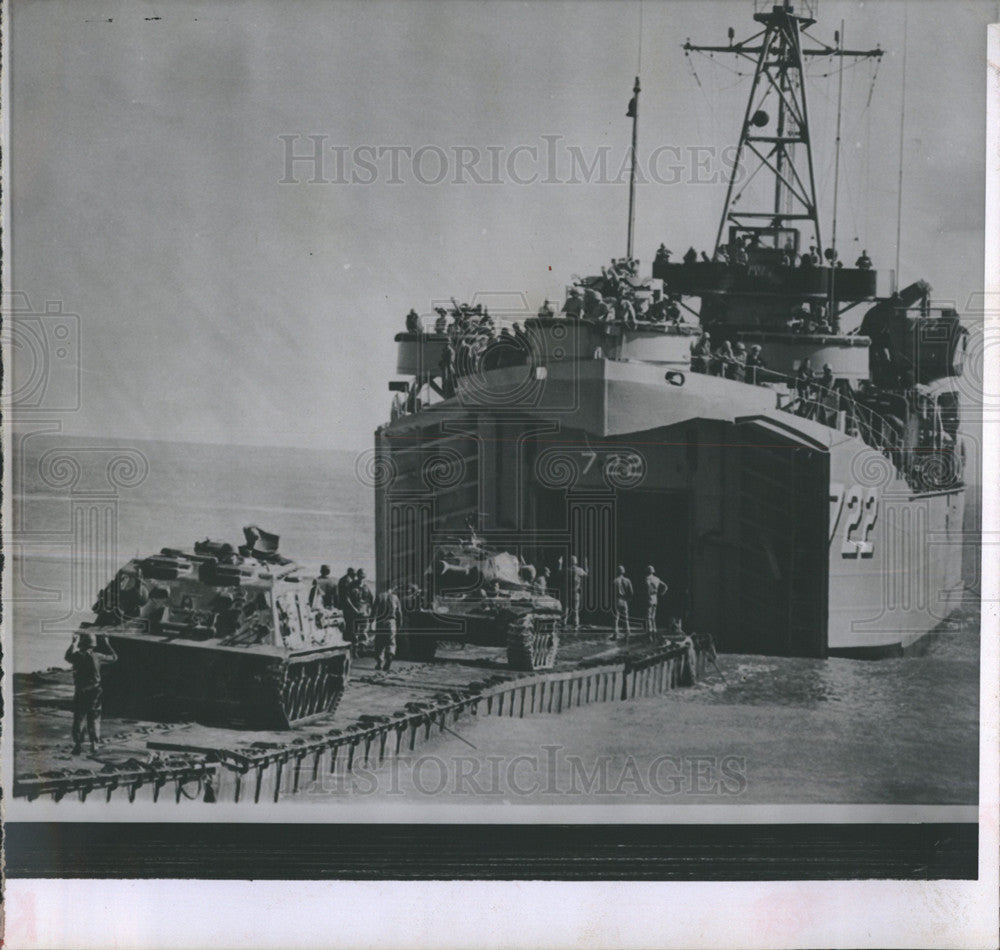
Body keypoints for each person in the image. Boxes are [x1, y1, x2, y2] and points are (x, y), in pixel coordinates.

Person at [65, 631, 117, 755]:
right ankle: (94, 744)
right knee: (94, 718)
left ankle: (78, 745)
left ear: (81, 644)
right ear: (93, 645)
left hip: (81, 692)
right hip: (95, 692)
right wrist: (107, 643)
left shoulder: (77, 656)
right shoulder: (97, 656)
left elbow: (67, 657)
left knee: (79, 718)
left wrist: (73, 643)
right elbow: (114, 657)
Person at [371, 586, 403, 671]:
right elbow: (399, 612)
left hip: (380, 622)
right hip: (391, 622)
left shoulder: (380, 596)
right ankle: (389, 657)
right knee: (391, 642)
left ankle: (379, 663)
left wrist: (371, 622)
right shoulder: (395, 597)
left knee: (379, 643)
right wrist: (399, 624)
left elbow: (374, 610)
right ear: (392, 588)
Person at [347, 569, 374, 645]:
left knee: (364, 633)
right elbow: (347, 599)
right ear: (357, 576)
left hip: (364, 613)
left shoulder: (366, 587)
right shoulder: (352, 586)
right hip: (354, 613)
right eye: (360, 576)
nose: (361, 578)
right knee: (355, 633)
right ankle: (354, 651)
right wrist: (353, 608)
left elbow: (371, 599)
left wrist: (371, 612)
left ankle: (362, 650)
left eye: (363, 576)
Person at [563, 555, 588, 631]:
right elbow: (586, 574)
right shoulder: (579, 570)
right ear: (576, 562)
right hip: (576, 592)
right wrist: (586, 564)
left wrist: (560, 563)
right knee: (575, 610)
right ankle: (576, 625)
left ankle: (564, 623)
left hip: (567, 592)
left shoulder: (566, 570)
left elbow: (559, 572)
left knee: (566, 609)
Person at [610, 566, 633, 642]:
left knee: (616, 618)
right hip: (624, 600)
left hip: (617, 600)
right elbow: (631, 592)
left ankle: (615, 634)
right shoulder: (628, 580)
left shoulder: (615, 581)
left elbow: (612, 592)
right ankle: (627, 633)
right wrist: (628, 599)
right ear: (623, 571)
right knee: (626, 618)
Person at [644, 566, 668, 636]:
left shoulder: (647, 579)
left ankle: (650, 630)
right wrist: (662, 593)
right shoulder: (657, 579)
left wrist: (647, 595)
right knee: (653, 615)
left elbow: (648, 588)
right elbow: (666, 586)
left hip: (649, 597)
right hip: (655, 598)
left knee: (648, 615)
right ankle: (654, 629)